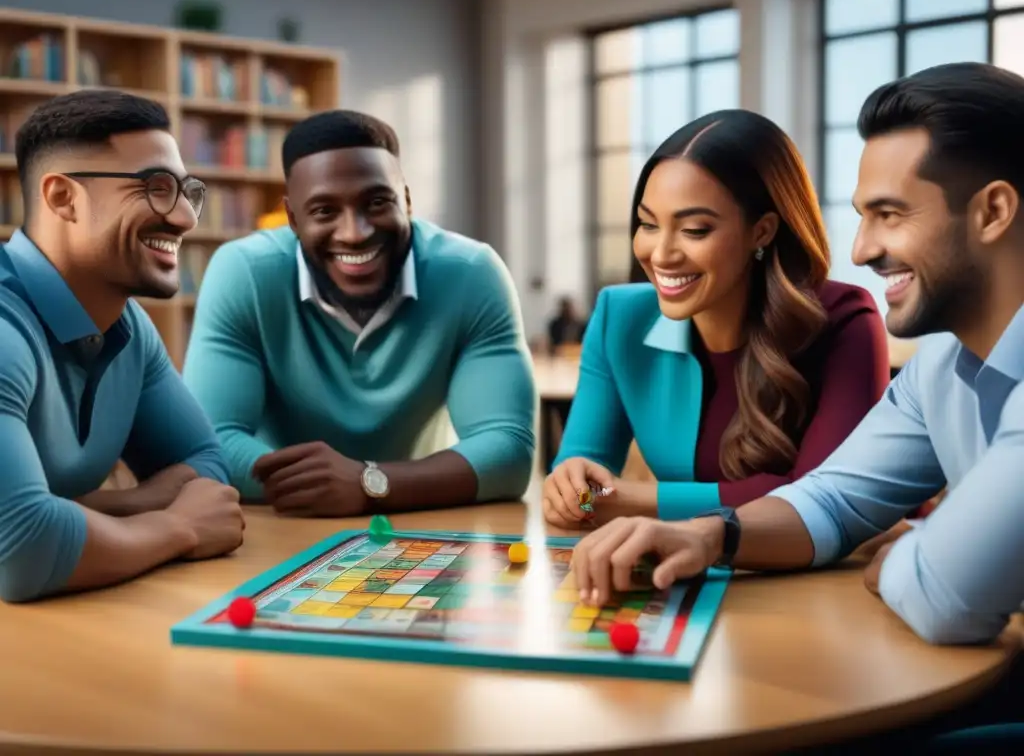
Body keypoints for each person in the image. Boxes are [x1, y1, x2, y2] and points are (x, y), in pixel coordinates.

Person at [570, 63, 1024, 740]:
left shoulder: (854, 326)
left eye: (889, 215)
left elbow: (943, 601)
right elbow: (833, 502)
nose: (862, 249)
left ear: (992, 212)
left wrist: (918, 546)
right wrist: (710, 536)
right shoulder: (938, 372)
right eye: (862, 216)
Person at [543, 109, 889, 527]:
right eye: (648, 225)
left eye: (694, 230)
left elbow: (826, 496)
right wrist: (571, 489)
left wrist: (631, 498)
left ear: (761, 232)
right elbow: (581, 482)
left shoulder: (845, 321)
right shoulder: (620, 317)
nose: (661, 254)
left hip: (820, 578)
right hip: (688, 564)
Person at [182, 110, 535, 516]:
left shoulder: (471, 273)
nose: (355, 231)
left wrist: (370, 483)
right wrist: (333, 487)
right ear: (293, 218)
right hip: (281, 525)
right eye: (324, 211)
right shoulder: (244, 273)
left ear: (406, 200)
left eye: (377, 202)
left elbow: (508, 448)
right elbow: (210, 445)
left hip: (424, 519)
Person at [0, 89, 244, 603]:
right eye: (156, 188)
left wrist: (92, 509)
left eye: (187, 192)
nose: (184, 218)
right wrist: (180, 528)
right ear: (63, 198)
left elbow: (207, 469)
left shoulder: (129, 327)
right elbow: (23, 551)